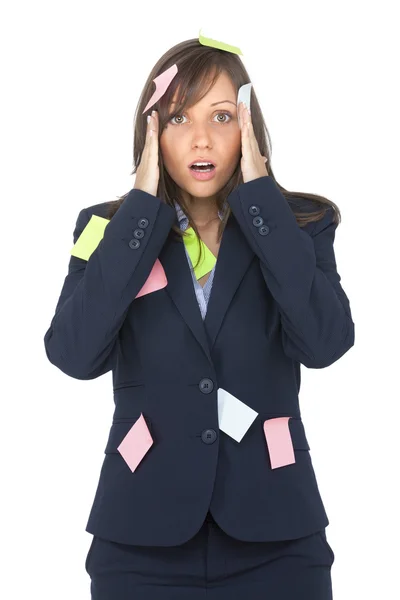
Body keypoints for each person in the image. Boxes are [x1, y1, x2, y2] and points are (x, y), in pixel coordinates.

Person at [43, 36, 354, 599]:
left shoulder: (302, 225)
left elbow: (326, 343)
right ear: (151, 131)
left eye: (223, 116)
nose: (202, 138)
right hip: (139, 542)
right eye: (179, 117)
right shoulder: (103, 229)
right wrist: (141, 203)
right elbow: (73, 353)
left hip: (278, 540)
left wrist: (260, 200)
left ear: (250, 131)